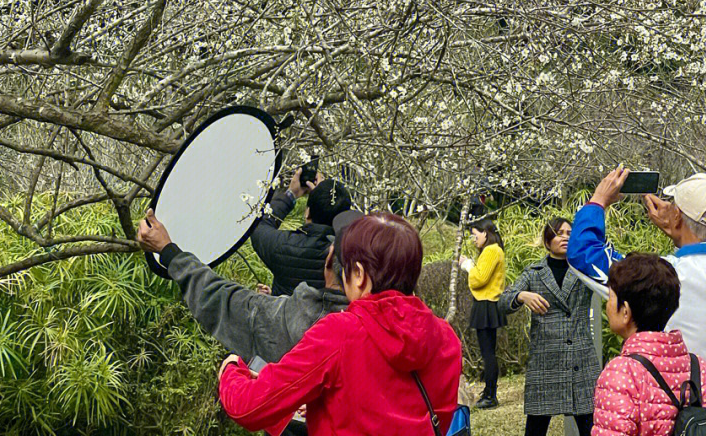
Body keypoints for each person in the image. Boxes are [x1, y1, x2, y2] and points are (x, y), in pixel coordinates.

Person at [218, 211, 462, 436]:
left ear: (358, 273)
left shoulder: (338, 334)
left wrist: (231, 369)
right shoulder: (446, 338)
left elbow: (248, 407)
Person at [569, 167, 706, 436]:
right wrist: (680, 228)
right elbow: (705, 258)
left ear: (678, 215)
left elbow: (582, 253)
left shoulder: (657, 281)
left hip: (669, 425)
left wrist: (598, 201)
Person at [135, 207, 362, 365]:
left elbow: (222, 300)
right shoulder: (388, 336)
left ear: (330, 262)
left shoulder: (301, 320)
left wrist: (169, 251)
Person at [591, 253, 706, 436]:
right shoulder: (699, 367)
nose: (607, 306)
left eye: (610, 298)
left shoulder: (622, 372)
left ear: (625, 311)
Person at [500, 217, 599, 436]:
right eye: (559, 233)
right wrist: (521, 295)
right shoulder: (534, 272)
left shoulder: (584, 268)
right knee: (535, 429)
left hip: (580, 360)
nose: (565, 237)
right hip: (545, 361)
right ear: (547, 240)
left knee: (590, 427)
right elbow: (503, 302)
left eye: (569, 233)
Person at [251, 170, 352, 296]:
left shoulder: (282, 245)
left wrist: (291, 194)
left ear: (307, 212)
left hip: (286, 313)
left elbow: (258, 226)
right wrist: (324, 195)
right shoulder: (350, 255)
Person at [460, 218, 506, 409]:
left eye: (475, 235)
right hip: (490, 303)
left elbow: (479, 279)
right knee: (489, 352)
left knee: (487, 353)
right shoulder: (494, 250)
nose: (473, 239)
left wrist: (468, 265)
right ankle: (489, 392)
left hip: (486, 303)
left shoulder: (491, 250)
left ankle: (490, 395)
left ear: (485, 233)